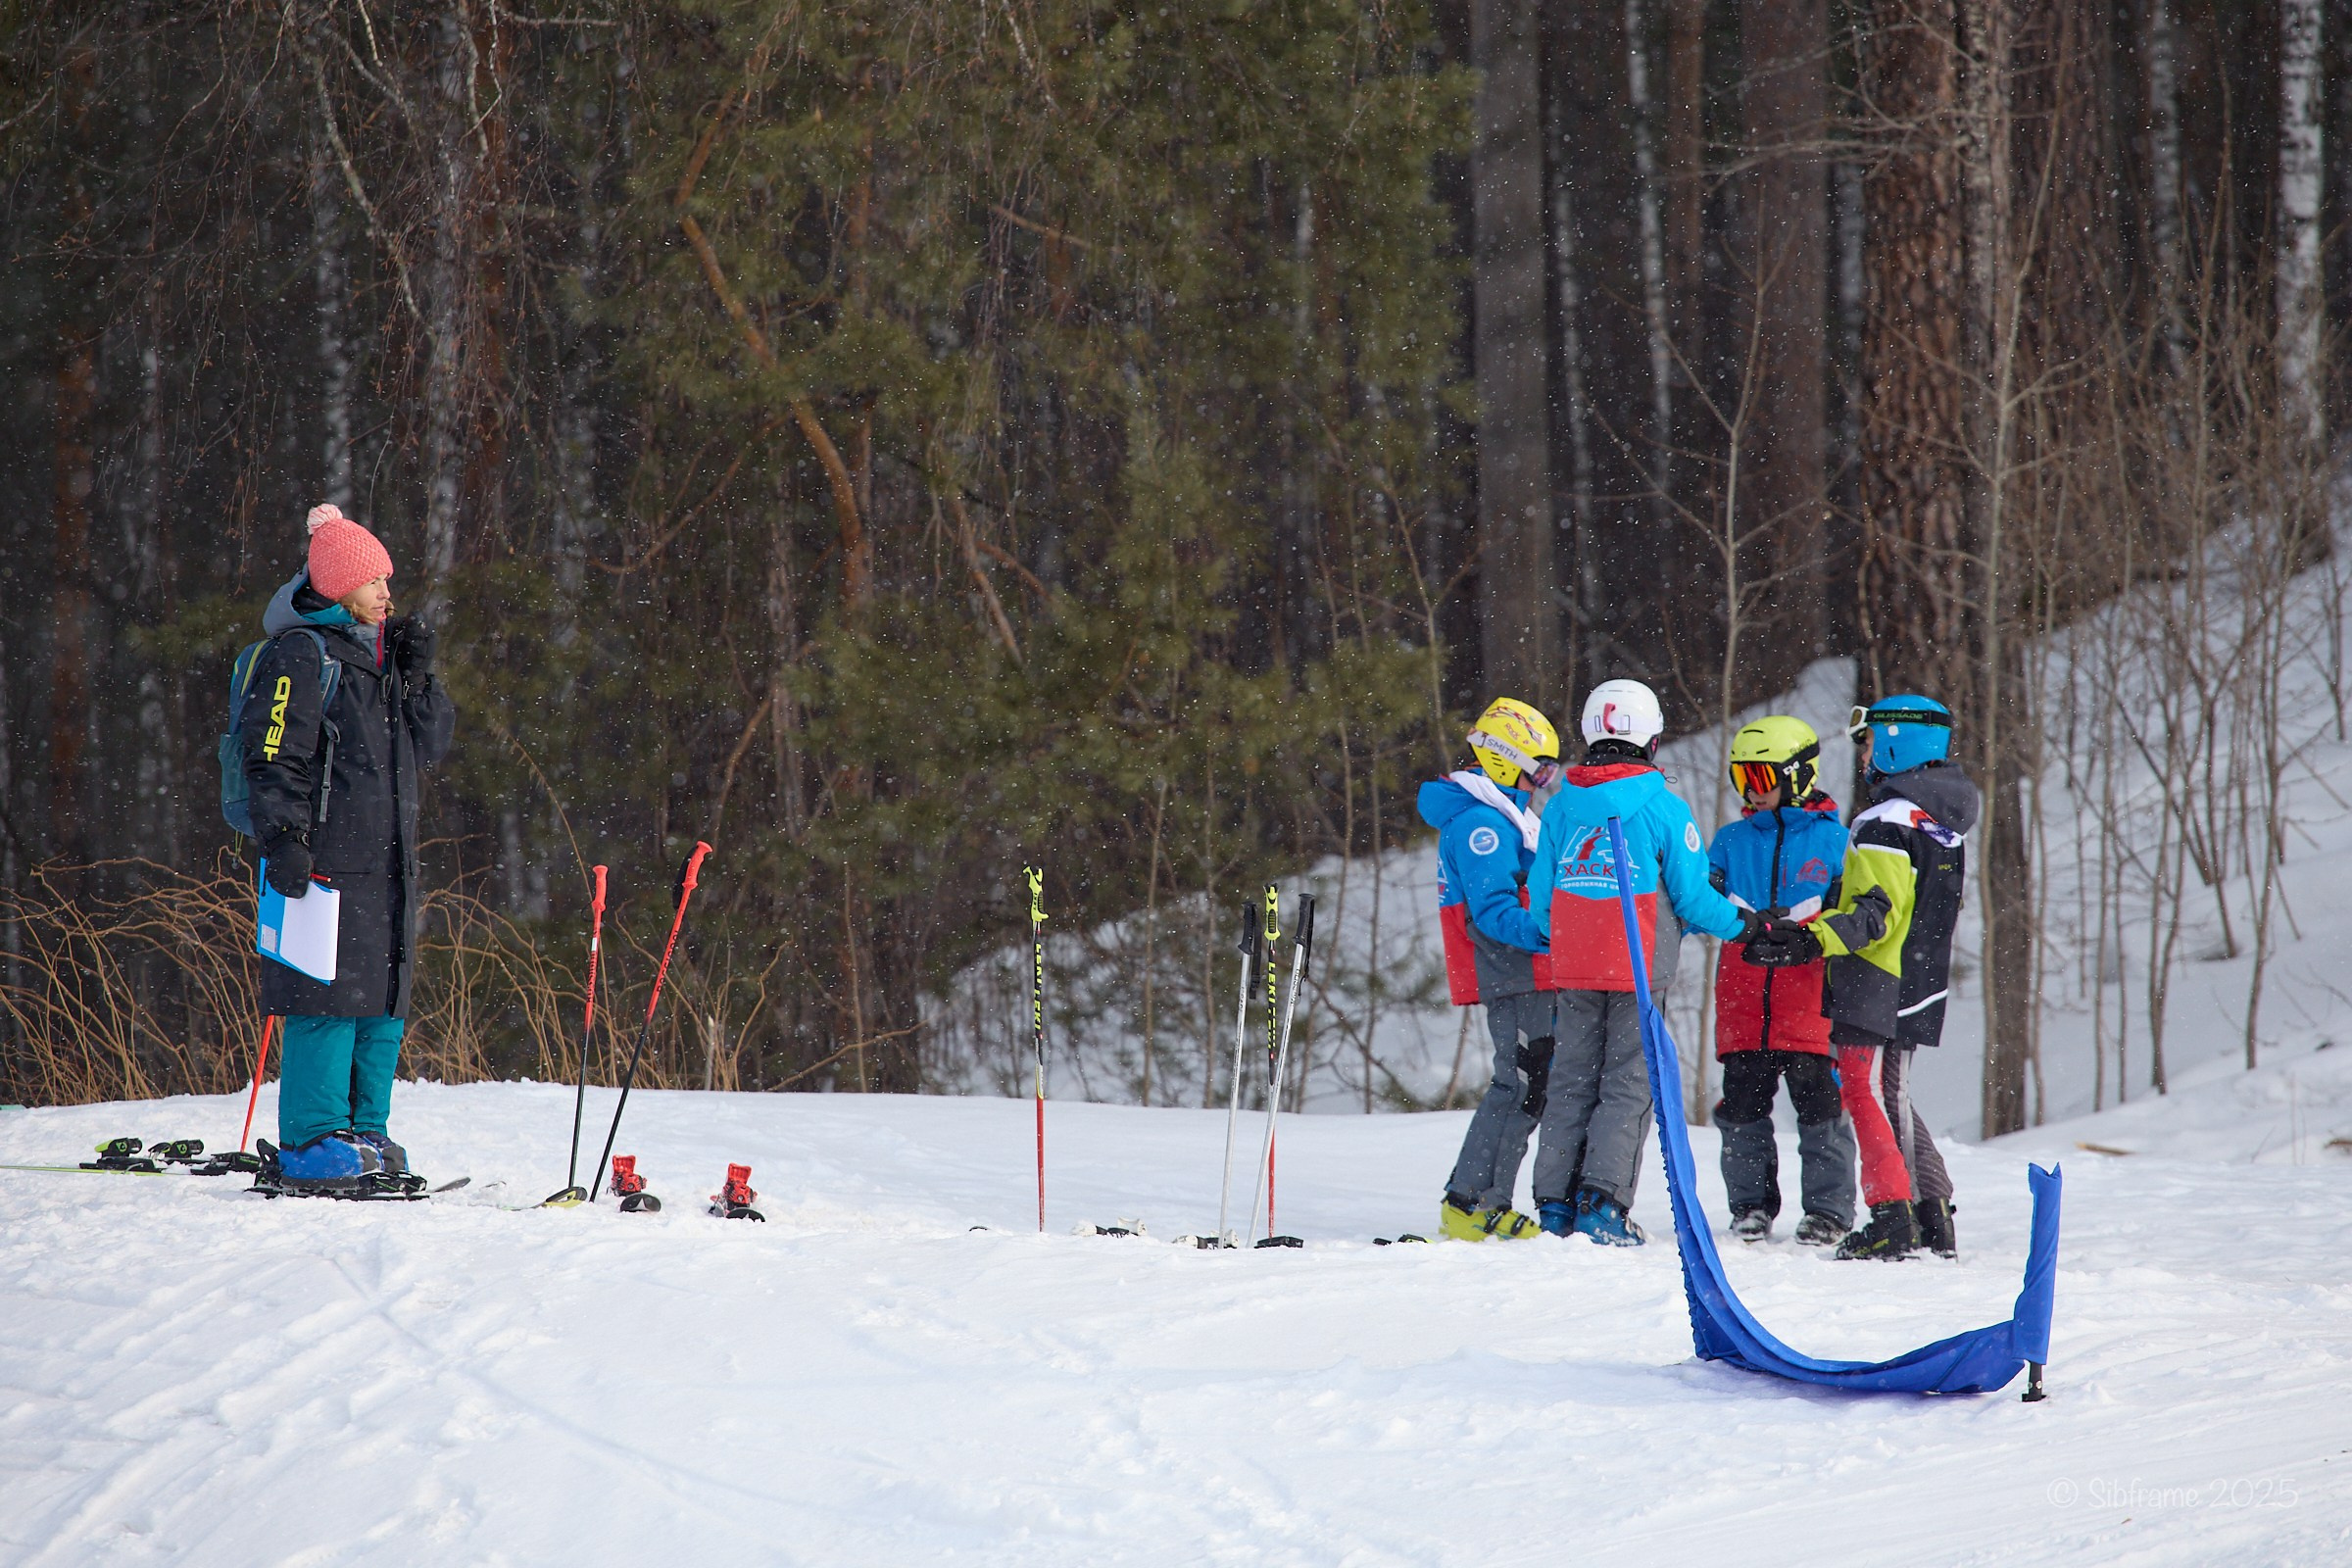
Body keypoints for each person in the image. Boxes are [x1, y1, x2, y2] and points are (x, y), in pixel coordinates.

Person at [242, 504, 455, 1191]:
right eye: (373, 582)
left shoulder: (379, 660)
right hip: (324, 863)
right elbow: (274, 753)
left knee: (380, 1002)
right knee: (324, 1003)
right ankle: (312, 1140)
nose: (387, 594)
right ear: (338, 588)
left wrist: (419, 677)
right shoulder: (301, 653)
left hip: (387, 866)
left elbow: (430, 747)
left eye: (388, 580)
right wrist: (284, 839)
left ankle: (367, 1131)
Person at [1525, 679, 1769, 1245]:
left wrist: (1564, 935)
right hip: (1635, 967)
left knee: (1571, 1079)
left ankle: (1555, 1204)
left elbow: (1540, 898)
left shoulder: (1560, 807)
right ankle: (1603, 1202)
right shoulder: (1663, 807)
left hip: (1575, 965)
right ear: (1651, 742)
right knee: (1629, 1085)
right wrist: (1746, 925)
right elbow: (1692, 898)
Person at [1745, 695, 1977, 1259]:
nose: (1867, 756)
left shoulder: (1885, 819)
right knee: (1889, 1093)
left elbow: (1875, 913)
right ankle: (1929, 1213)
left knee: (1865, 1090)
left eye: (1872, 742)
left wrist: (1811, 939)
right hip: (1919, 977)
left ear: (1899, 742)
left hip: (1878, 979)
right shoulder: (1938, 821)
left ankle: (1891, 1216)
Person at [1706, 716, 1887, 1247]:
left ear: (1797, 776)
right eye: (1741, 780)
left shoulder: (1837, 841)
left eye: (1760, 779)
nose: (1749, 793)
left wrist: (1812, 932)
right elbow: (1703, 899)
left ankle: (1829, 1209)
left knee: (1819, 1102)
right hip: (1743, 999)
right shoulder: (1730, 840)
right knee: (1742, 1104)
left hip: (1811, 1000)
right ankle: (1750, 1206)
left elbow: (1861, 912)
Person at [1425, 698, 1564, 1242]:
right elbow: (1495, 911)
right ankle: (1471, 1203)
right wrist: (1555, 932)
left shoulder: (1502, 815)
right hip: (1514, 970)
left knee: (1534, 1084)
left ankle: (1484, 1200)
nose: (1544, 784)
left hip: (1528, 971)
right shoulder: (1482, 822)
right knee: (1520, 1083)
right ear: (1506, 761)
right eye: (1540, 771)